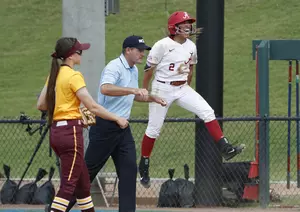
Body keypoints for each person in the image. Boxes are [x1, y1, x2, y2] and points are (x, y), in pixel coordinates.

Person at [138, 11, 245, 188]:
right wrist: (144, 89)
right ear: (174, 28)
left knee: (207, 111)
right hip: (162, 87)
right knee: (154, 129)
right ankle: (144, 163)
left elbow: (190, 69)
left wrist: (187, 86)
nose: (188, 26)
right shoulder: (162, 45)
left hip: (181, 87)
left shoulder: (191, 46)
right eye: (184, 23)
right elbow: (149, 70)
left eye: (189, 23)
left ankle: (225, 147)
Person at [65, 35, 166, 212]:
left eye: (144, 51)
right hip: (105, 126)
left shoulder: (133, 70)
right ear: (128, 50)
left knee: (129, 173)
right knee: (86, 175)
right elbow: (106, 88)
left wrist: (152, 97)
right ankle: (57, 208)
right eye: (139, 50)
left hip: (123, 128)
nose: (143, 54)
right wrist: (132, 89)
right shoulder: (114, 66)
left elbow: (132, 95)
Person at [37, 37, 128, 212]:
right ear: (71, 56)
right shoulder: (74, 75)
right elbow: (92, 106)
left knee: (83, 185)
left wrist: (66, 108)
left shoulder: (54, 75)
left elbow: (41, 105)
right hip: (70, 133)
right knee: (68, 185)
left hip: (56, 132)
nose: (82, 54)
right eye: (79, 51)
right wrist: (116, 118)